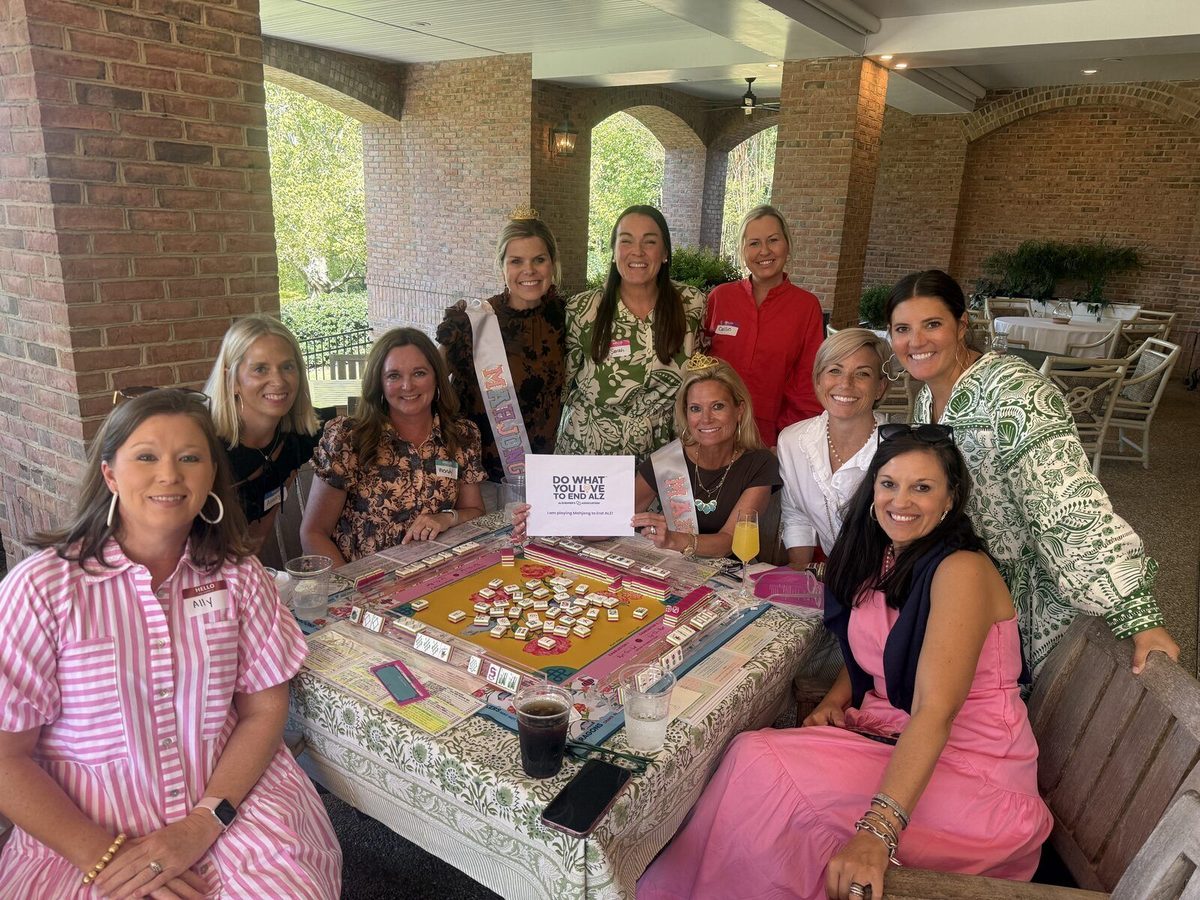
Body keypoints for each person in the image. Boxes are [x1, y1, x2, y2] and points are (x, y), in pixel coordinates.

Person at [638, 429, 1052, 900]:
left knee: (771, 773)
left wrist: (877, 833)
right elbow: (871, 654)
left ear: (950, 499)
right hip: (892, 733)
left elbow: (936, 711)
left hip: (974, 773)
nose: (902, 500)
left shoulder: (961, 570)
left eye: (923, 487)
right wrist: (835, 699)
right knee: (750, 754)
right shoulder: (885, 558)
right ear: (872, 489)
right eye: (889, 483)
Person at [0, 389, 341, 898]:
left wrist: (204, 822)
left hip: (225, 798)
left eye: (190, 458)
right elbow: (6, 755)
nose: (169, 475)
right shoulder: (41, 590)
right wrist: (108, 860)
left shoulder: (240, 577)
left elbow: (265, 709)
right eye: (146, 456)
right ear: (110, 474)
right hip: (83, 824)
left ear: (211, 478)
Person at [887, 269, 1177, 676]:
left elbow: (1064, 501)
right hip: (962, 590)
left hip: (1025, 601)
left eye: (932, 324)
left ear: (962, 324)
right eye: (903, 329)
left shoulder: (1013, 389)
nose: (916, 342)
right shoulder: (925, 402)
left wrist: (1138, 613)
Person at [301, 327, 486, 564]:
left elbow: (476, 512)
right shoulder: (348, 438)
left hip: (438, 575)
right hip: (364, 584)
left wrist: (447, 518)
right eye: (393, 376)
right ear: (379, 382)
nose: (407, 386)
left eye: (419, 373)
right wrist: (351, 592)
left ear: (437, 377)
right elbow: (313, 534)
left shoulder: (461, 435)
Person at [557, 205, 706, 459]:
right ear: (614, 252)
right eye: (626, 241)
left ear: (665, 252)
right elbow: (563, 383)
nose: (637, 251)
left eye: (649, 242)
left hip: (662, 452)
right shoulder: (582, 309)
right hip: (589, 448)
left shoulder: (692, 304)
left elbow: (701, 377)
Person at [436, 213, 566, 483]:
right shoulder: (474, 323)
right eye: (516, 261)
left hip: (548, 473)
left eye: (539, 260)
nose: (528, 270)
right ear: (502, 267)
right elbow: (428, 382)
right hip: (482, 476)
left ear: (552, 263)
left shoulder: (567, 317)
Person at [631, 355, 780, 558]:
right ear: (686, 414)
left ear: (739, 410)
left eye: (718, 406)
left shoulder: (760, 464)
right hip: (673, 570)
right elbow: (615, 518)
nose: (706, 419)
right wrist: (587, 524)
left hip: (730, 575)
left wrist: (673, 539)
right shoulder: (667, 461)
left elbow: (730, 541)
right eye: (695, 409)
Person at [702, 204, 825, 446]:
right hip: (713, 433)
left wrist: (785, 442)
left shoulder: (806, 306)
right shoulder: (720, 298)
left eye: (773, 240)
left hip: (771, 439)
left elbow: (808, 383)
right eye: (754, 243)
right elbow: (700, 366)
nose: (764, 251)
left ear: (787, 244)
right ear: (743, 250)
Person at [204, 314, 322, 554]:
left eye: (287, 367)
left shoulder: (294, 440)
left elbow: (255, 538)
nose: (278, 381)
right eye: (260, 369)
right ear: (232, 379)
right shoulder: (203, 445)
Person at [778, 329, 890, 570]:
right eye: (834, 370)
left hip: (893, 583)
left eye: (862, 374)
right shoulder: (791, 442)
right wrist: (801, 577)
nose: (845, 383)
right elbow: (797, 516)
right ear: (818, 380)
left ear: (880, 387)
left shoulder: (899, 449)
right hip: (830, 580)